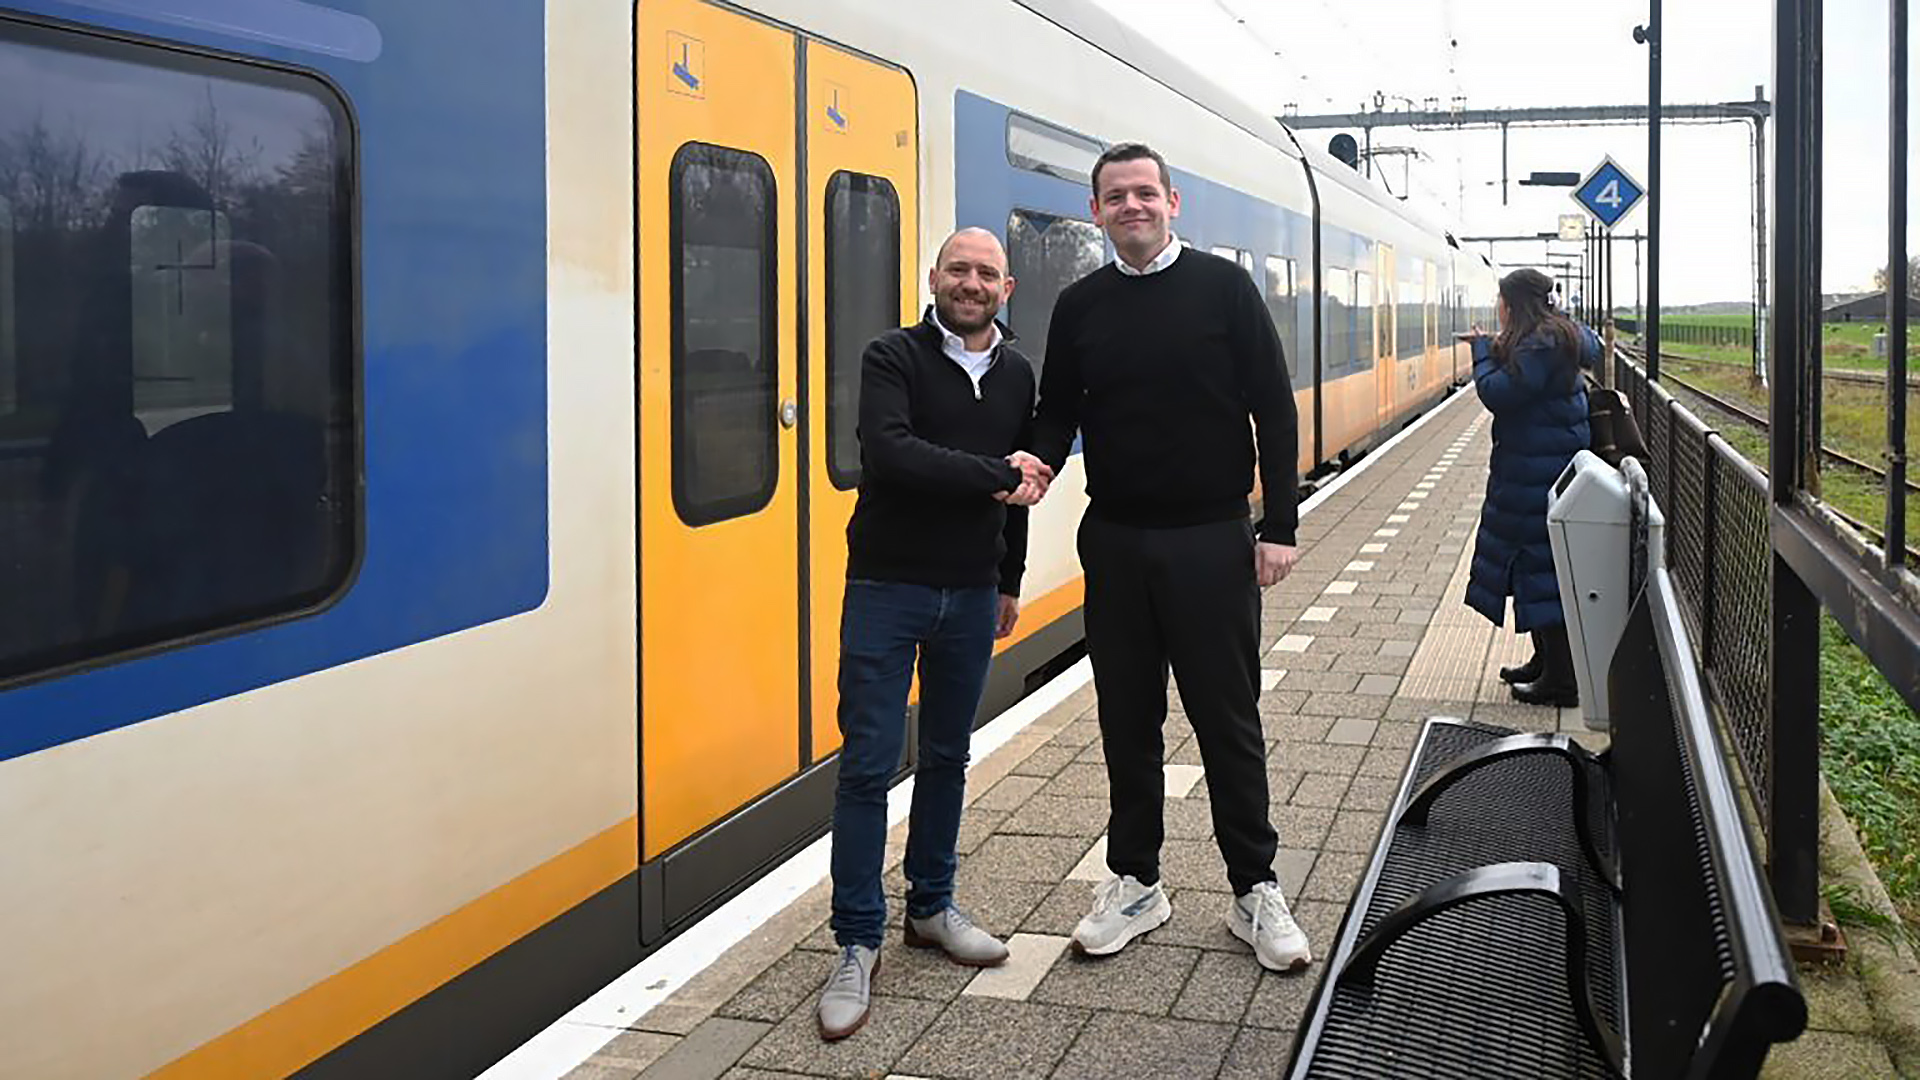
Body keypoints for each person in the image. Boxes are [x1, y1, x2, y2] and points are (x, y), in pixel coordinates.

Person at [1029, 143, 1311, 973]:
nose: (1132, 207)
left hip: (1212, 538)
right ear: (1096, 212)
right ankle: (1136, 882)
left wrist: (1280, 527)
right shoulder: (1080, 305)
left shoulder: (1223, 288)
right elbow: (1056, 411)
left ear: (1173, 202)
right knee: (1127, 722)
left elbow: (1274, 410)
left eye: (1145, 193)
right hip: (1115, 539)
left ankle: (1255, 889)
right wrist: (1034, 462)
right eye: (1115, 196)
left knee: (1228, 720)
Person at [816, 228, 1053, 1041]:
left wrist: (1011, 580)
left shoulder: (1019, 373)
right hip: (887, 587)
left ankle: (931, 907)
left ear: (1007, 287)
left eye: (987, 273)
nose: (972, 283)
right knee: (868, 766)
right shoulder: (893, 357)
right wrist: (997, 475)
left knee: (950, 757)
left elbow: (1021, 491)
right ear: (934, 277)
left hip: (972, 591)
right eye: (960, 269)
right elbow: (890, 455)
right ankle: (855, 940)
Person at [1462, 267, 1598, 707]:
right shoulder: (1556, 338)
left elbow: (1499, 393)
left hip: (1537, 476)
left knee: (1545, 573)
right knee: (1537, 570)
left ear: (1512, 304)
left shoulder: (1542, 345)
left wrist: (1482, 352)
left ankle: (1561, 680)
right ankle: (1547, 662)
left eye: (1501, 302)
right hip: (1540, 470)